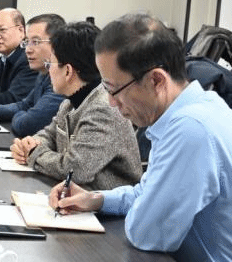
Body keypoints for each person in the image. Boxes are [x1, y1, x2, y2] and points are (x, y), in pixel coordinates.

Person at [51, 13, 232, 262]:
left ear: (156, 80)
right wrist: (96, 199)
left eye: (113, 89)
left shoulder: (191, 131)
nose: (111, 102)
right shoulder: (203, 110)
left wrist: (141, 206)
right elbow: (147, 192)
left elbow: (147, 233)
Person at [12, 21, 142, 191]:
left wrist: (32, 153)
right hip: (78, 196)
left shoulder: (103, 109)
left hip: (105, 204)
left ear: (68, 71)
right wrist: (30, 144)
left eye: (50, 64)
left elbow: (75, 170)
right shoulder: (69, 103)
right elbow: (49, 135)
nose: (48, 71)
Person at [0, 13, 66, 137]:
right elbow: (23, 105)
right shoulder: (43, 73)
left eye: (36, 42)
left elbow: (27, 125)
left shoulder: (61, 81)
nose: (28, 49)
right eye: (27, 42)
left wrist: (22, 114)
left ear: (57, 44)